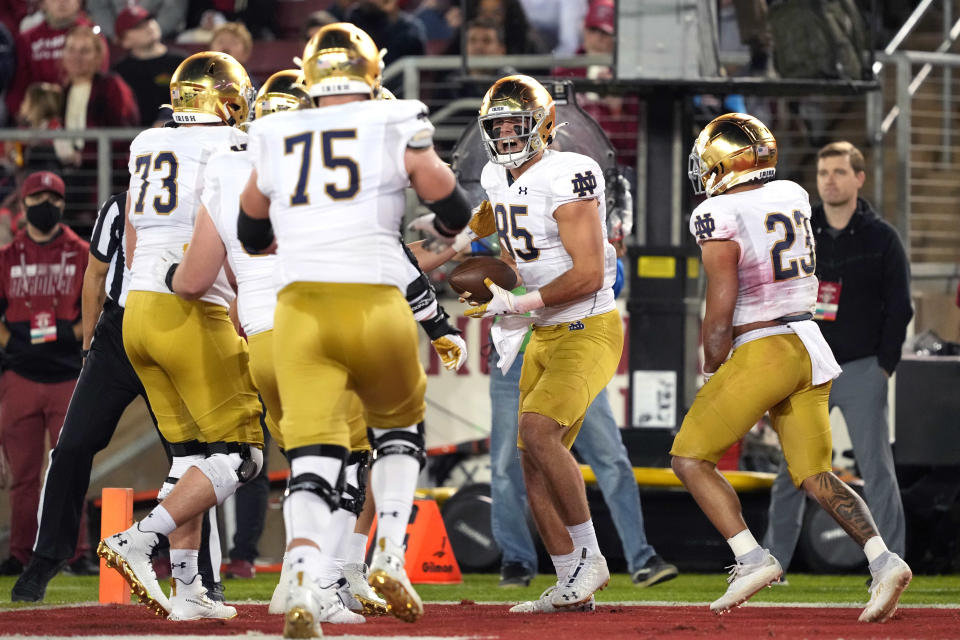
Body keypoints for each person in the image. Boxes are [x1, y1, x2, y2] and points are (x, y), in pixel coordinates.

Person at [238, 23, 470, 636]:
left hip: (298, 313)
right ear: (374, 73)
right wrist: (444, 232)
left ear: (308, 74)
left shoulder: (272, 129)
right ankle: (390, 552)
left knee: (314, 456)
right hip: (372, 302)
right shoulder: (395, 120)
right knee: (399, 428)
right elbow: (449, 201)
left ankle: (305, 584)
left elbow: (252, 235)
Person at [672, 113, 911, 622]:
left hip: (764, 347)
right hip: (809, 342)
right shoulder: (792, 194)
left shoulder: (716, 212)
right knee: (814, 473)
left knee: (690, 458)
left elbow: (721, 304)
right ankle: (883, 559)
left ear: (723, 163)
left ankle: (751, 556)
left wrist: (714, 365)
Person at [95, 51, 263, 622]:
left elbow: (136, 239)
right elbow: (231, 240)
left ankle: (189, 590)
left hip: (137, 309)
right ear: (229, 99)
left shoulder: (147, 142)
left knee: (191, 456)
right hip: (189, 309)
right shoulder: (231, 148)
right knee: (241, 457)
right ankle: (140, 538)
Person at [456, 74, 622, 612]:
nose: (505, 134)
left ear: (544, 125)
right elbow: (505, 253)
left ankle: (592, 558)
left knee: (536, 431)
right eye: (497, 125)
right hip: (543, 331)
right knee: (530, 459)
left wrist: (515, 303)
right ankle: (570, 579)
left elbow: (592, 273)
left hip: (585, 325)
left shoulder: (570, 173)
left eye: (515, 123)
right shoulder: (493, 177)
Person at [9, 191, 221, 602]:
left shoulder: (203, 201)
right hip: (119, 335)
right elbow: (95, 273)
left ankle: (201, 573)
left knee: (191, 457)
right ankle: (48, 557)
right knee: (70, 448)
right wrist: (90, 345)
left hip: (173, 330)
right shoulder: (120, 205)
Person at [762, 141, 912, 575]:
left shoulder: (883, 238)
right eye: (824, 172)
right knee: (792, 473)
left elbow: (899, 306)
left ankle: (891, 565)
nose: (830, 179)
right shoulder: (799, 232)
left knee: (877, 470)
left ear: (859, 178)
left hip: (864, 367)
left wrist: (884, 365)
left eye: (839, 172)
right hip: (807, 369)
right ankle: (773, 566)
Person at [0, 171, 88, 576]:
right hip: (20, 376)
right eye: (38, 197)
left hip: (68, 374)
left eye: (53, 197)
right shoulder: (6, 256)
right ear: (23, 203)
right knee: (23, 477)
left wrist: (71, 335)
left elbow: (97, 305)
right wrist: (9, 343)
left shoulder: (82, 252)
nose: (45, 204)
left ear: (63, 203)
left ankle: (76, 552)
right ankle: (20, 554)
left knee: (70, 468)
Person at [6, 0, 108, 118]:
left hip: (85, 110)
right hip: (38, 116)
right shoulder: (26, 40)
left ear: (79, 2)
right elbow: (18, 88)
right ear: (43, 4)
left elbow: (100, 77)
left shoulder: (93, 36)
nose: (62, 2)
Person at [112, 4, 187, 128]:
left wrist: (167, 118)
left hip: (176, 136)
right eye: (138, 26)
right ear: (124, 40)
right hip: (131, 139)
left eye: (149, 20)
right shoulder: (120, 71)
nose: (149, 27)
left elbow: (191, 97)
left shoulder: (182, 62)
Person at [86, 0, 186, 41]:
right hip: (116, 39)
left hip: (162, 38)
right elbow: (99, 7)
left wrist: (151, 33)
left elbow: (173, 10)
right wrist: (116, 34)